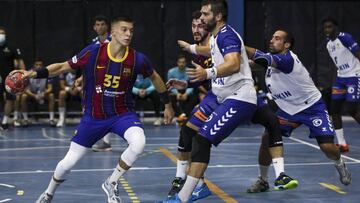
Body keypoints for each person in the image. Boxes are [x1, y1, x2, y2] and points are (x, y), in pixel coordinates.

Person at [18, 16, 174, 203]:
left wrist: (167, 104)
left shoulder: (137, 59)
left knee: (139, 142)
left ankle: (111, 182)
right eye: (124, 30)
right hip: (94, 117)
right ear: (113, 32)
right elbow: (61, 67)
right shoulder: (93, 52)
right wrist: (32, 73)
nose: (128, 34)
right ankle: (48, 192)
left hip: (122, 114)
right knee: (68, 163)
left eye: (131, 30)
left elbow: (155, 77)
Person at [157, 1, 258, 202]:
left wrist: (207, 72)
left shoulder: (227, 35)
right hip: (222, 95)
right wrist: (192, 48)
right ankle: (195, 188)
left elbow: (234, 64)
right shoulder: (215, 37)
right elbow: (209, 50)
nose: (201, 18)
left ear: (218, 16)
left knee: (202, 140)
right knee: (192, 134)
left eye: (205, 14)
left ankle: (183, 196)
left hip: (239, 98)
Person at [245, 29, 351, 191]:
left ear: (286, 45)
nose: (272, 40)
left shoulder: (287, 59)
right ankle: (263, 180)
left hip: (312, 107)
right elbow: (252, 64)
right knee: (267, 137)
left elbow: (256, 56)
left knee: (327, 147)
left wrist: (237, 44)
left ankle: (339, 162)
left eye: (277, 38)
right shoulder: (272, 60)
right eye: (272, 38)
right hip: (288, 110)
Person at [322, 17, 360, 152]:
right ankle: (342, 143)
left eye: (330, 27)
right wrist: (335, 79)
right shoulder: (328, 44)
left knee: (352, 109)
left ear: (336, 28)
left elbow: (358, 54)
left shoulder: (345, 38)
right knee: (334, 110)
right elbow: (336, 63)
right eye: (325, 27)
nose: (327, 30)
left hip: (354, 76)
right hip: (341, 78)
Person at [0, 26, 26, 130]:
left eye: (2, 33)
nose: (1, 35)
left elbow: (20, 61)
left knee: (10, 99)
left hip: (9, 80)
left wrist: (24, 74)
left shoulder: (11, 47)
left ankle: (5, 121)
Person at [20, 59, 56, 127]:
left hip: (43, 93)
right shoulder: (28, 74)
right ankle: (25, 119)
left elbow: (50, 88)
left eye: (40, 65)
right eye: (37, 65)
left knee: (51, 96)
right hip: (31, 93)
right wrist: (34, 96)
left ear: (43, 66)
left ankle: (52, 119)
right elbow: (25, 89)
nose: (38, 66)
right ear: (34, 66)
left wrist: (43, 94)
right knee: (23, 96)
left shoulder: (47, 73)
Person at [168, 54, 197, 123]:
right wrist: (177, 93)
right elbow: (170, 85)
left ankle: (185, 115)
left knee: (195, 98)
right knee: (169, 98)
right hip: (176, 90)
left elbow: (192, 84)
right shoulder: (171, 72)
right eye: (180, 62)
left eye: (183, 62)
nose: (181, 64)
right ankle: (180, 115)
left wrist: (186, 93)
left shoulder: (190, 71)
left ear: (186, 63)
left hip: (187, 90)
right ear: (177, 63)